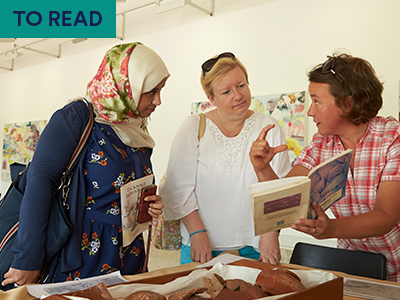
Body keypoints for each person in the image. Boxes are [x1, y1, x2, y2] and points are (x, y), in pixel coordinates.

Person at [2, 42, 169, 287]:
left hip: (128, 252)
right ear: (126, 85)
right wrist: (28, 259)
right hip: (82, 254)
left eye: (161, 90)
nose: (158, 100)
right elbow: (40, 182)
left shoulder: (135, 127)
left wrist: (148, 204)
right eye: (151, 91)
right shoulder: (76, 116)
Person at [250, 52, 400, 282]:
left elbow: (387, 215)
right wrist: (262, 169)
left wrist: (331, 229)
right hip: (353, 267)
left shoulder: (392, 137)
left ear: (347, 103)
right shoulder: (321, 143)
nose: (310, 111)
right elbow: (287, 199)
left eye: (317, 101)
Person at [160, 52, 291, 265]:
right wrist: (196, 232)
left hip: (255, 245)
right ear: (211, 99)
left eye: (241, 85)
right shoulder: (193, 126)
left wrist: (270, 233)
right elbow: (177, 189)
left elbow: (281, 189)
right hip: (201, 244)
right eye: (226, 91)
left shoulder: (268, 126)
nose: (238, 95)